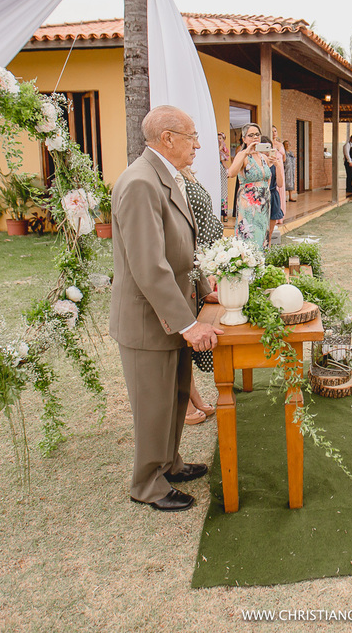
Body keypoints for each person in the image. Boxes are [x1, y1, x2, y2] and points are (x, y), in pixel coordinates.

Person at [110, 105, 222, 511]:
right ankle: (147, 484)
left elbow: (183, 250)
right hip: (149, 319)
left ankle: (169, 463)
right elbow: (149, 266)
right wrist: (187, 325)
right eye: (191, 136)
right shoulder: (140, 182)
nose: (197, 144)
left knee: (174, 397)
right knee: (153, 405)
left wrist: (205, 289)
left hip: (175, 312)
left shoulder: (165, 176)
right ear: (167, 138)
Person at [179, 164, 223, 426]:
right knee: (182, 336)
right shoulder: (165, 176)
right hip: (188, 265)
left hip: (198, 264)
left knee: (186, 338)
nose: (196, 145)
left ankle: (192, 393)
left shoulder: (185, 172)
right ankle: (186, 398)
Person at [228, 123, 279, 251]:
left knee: (262, 235)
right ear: (244, 139)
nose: (255, 137)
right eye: (250, 135)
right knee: (249, 237)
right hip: (248, 206)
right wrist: (246, 152)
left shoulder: (263, 157)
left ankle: (262, 263)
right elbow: (231, 173)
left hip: (263, 205)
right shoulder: (242, 155)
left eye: (257, 134)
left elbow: (267, 179)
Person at [217, 132, 231, 219]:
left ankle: (224, 214)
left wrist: (227, 170)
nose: (219, 140)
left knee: (224, 191)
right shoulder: (215, 149)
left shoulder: (224, 151)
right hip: (216, 170)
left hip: (222, 170)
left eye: (221, 138)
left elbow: (224, 161)